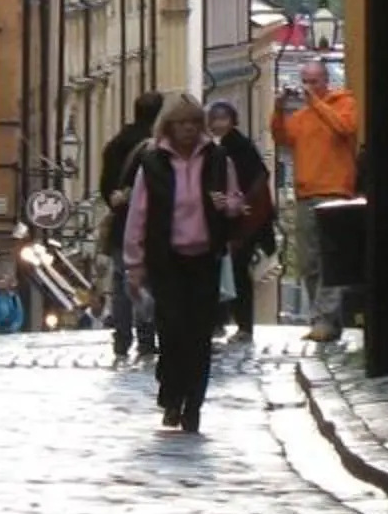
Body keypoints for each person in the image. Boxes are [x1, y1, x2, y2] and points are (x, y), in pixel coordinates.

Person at [122, 94, 249, 432]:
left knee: (198, 337)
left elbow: (238, 201)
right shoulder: (153, 163)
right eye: (182, 124)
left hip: (205, 258)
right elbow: (138, 214)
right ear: (170, 127)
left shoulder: (218, 159)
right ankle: (171, 395)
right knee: (173, 331)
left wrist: (228, 206)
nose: (189, 130)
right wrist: (134, 264)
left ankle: (193, 405)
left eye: (194, 123)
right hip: (167, 260)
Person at [272, 55, 362, 342]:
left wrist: (318, 104)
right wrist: (278, 109)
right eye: (305, 82)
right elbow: (282, 137)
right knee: (309, 263)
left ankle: (324, 319)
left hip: (336, 192)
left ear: (326, 81)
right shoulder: (301, 117)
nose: (309, 86)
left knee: (331, 260)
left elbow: (344, 128)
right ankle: (325, 319)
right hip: (305, 194)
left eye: (314, 81)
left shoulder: (345, 104)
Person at [98, 91, 165, 366]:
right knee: (146, 280)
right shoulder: (156, 148)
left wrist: (116, 201)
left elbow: (105, 186)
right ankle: (147, 339)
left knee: (120, 281)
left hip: (121, 222)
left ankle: (122, 341)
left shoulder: (116, 144)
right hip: (150, 225)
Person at [205, 101, 276, 346]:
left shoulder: (238, 146)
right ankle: (224, 321)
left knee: (236, 272)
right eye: (214, 119)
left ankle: (241, 325)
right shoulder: (222, 146)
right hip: (231, 219)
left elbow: (257, 180)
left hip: (242, 221)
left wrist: (243, 205)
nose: (218, 124)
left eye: (222, 119)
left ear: (232, 121)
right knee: (229, 272)